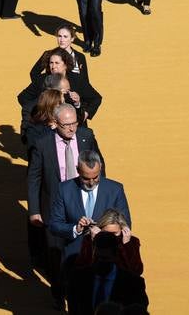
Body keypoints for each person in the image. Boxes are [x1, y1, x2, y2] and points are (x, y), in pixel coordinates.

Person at [28, 104, 104, 311]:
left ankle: (83, 293)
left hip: (85, 202)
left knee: (86, 251)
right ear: (54, 124)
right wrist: (34, 210)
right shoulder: (42, 144)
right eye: (66, 125)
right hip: (55, 207)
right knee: (55, 254)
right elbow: (34, 178)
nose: (72, 129)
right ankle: (59, 293)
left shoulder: (86, 136)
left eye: (74, 124)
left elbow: (100, 167)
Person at [49, 150, 130, 266]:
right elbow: (54, 224)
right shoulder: (64, 189)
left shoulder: (115, 189)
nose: (91, 182)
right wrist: (75, 229)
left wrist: (103, 233)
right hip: (75, 259)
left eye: (95, 177)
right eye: (86, 178)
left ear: (100, 168)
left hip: (107, 258)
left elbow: (125, 223)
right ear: (78, 170)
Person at [71, 210, 148, 314]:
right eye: (106, 233)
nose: (110, 237)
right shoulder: (90, 240)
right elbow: (83, 267)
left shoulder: (130, 242)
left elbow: (136, 271)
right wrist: (94, 242)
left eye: (114, 234)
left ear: (122, 230)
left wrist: (126, 246)